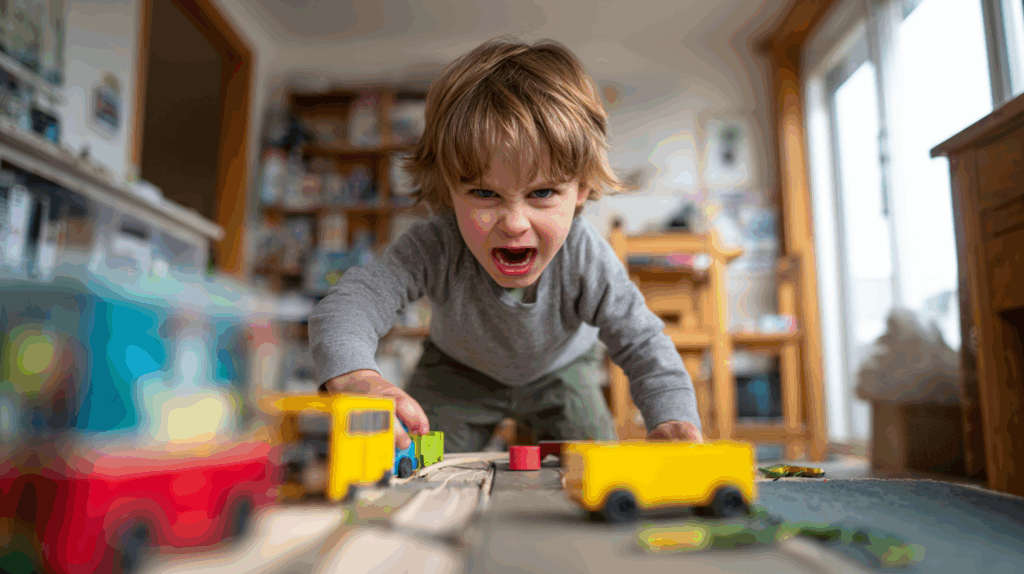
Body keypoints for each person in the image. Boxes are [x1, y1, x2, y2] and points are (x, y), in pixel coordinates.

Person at [310, 36, 702, 452]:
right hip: (456, 374)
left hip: (564, 371)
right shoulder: (435, 244)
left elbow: (644, 341)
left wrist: (673, 416)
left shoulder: (587, 255)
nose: (514, 224)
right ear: (449, 189)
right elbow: (353, 302)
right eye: (484, 193)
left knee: (592, 473)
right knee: (419, 464)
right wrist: (358, 378)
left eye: (543, 193)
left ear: (583, 187)